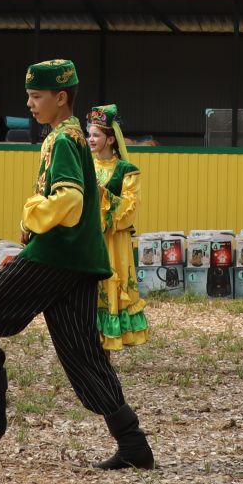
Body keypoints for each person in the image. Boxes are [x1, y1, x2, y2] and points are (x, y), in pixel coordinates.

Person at [0, 59, 154, 471]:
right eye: (28, 95)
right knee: (83, 354)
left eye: (36, 96)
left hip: (56, 256)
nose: (29, 103)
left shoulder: (61, 140)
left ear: (61, 98)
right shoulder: (71, 137)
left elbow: (70, 201)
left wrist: (31, 217)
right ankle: (133, 444)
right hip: (79, 260)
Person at [84, 105, 148, 351]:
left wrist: (102, 197)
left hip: (113, 239)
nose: (91, 139)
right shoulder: (84, 166)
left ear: (110, 139)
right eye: (89, 134)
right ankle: (90, 337)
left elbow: (131, 207)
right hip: (89, 238)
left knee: (111, 279)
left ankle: (111, 337)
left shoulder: (125, 171)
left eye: (96, 135)